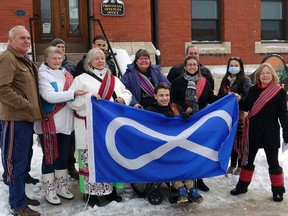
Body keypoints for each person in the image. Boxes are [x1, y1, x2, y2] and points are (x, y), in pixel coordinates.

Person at [67, 48, 132, 207]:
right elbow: (71, 101)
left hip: (109, 129)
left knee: (110, 158)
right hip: (89, 127)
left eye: (102, 58)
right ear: (89, 62)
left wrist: (123, 99)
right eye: (96, 59)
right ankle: (91, 194)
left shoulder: (114, 79)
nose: (100, 61)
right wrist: (89, 98)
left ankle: (112, 191)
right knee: (89, 160)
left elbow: (126, 93)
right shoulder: (80, 79)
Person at [34, 46, 87, 205]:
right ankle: (49, 190)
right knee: (49, 158)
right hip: (49, 123)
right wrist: (72, 94)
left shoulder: (67, 74)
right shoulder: (43, 75)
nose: (57, 61)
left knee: (62, 157)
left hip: (66, 123)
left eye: (59, 58)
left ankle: (61, 187)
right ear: (46, 59)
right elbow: (49, 96)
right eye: (54, 58)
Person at [171, 55, 230, 193]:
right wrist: (183, 110)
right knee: (184, 152)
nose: (192, 67)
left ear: (198, 67)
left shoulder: (205, 82)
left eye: (194, 65)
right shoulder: (177, 82)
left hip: (200, 122)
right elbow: (172, 101)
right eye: (189, 64)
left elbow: (212, 99)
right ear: (184, 67)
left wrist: (228, 97)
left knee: (198, 151)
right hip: (183, 121)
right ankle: (180, 181)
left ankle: (200, 180)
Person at [230, 63, 288, 202]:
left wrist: (286, 133)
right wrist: (238, 99)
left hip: (271, 132)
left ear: (272, 75)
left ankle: (278, 190)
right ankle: (242, 186)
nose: (265, 75)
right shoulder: (253, 90)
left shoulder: (279, 92)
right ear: (258, 76)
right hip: (253, 131)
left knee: (273, 162)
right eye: (263, 73)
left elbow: (283, 115)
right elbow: (246, 106)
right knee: (247, 160)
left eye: (268, 73)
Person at [0, 25, 42, 216]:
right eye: (21, 38)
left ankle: (21, 198)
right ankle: (17, 205)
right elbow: (2, 88)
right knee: (15, 163)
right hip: (15, 118)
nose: (26, 41)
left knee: (23, 162)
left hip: (26, 118)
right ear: (10, 40)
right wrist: (25, 104)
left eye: (27, 38)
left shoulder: (22, 59)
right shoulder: (7, 58)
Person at [146, 82, 204, 204]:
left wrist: (185, 118)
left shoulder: (176, 108)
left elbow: (185, 129)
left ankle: (190, 188)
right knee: (173, 158)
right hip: (160, 148)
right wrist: (162, 119)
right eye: (161, 95)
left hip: (178, 146)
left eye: (167, 95)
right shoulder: (150, 111)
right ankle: (181, 187)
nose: (164, 98)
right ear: (155, 96)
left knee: (186, 156)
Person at [218, 57, 252, 176]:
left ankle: (240, 164)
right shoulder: (225, 81)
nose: (234, 67)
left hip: (240, 115)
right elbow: (219, 96)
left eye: (236, 65)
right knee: (231, 140)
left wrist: (239, 98)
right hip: (228, 115)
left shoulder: (245, 80)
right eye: (231, 65)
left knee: (240, 140)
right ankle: (232, 164)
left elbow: (248, 98)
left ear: (241, 67)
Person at [51, 38, 79, 180]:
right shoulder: (47, 68)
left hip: (70, 107)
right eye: (58, 46)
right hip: (55, 109)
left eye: (63, 47)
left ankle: (70, 165)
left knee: (70, 141)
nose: (61, 49)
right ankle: (56, 167)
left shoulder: (71, 66)